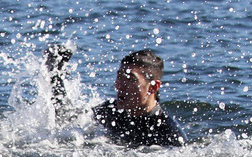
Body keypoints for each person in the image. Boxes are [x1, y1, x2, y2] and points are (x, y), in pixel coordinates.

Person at [46, 46, 185, 148]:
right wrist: (55, 77)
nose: (119, 86)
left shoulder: (168, 134)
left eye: (130, 80)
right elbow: (66, 120)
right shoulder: (111, 111)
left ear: (153, 87)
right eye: (119, 77)